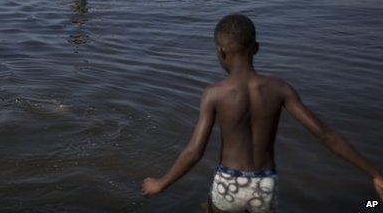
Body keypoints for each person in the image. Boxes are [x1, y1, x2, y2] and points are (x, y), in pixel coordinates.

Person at [141, 14, 383, 212]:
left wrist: (161, 184)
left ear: (220, 52)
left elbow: (194, 152)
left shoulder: (214, 94)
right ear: (256, 48)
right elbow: (324, 135)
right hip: (265, 182)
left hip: (229, 181)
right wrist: (374, 173)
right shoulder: (280, 89)